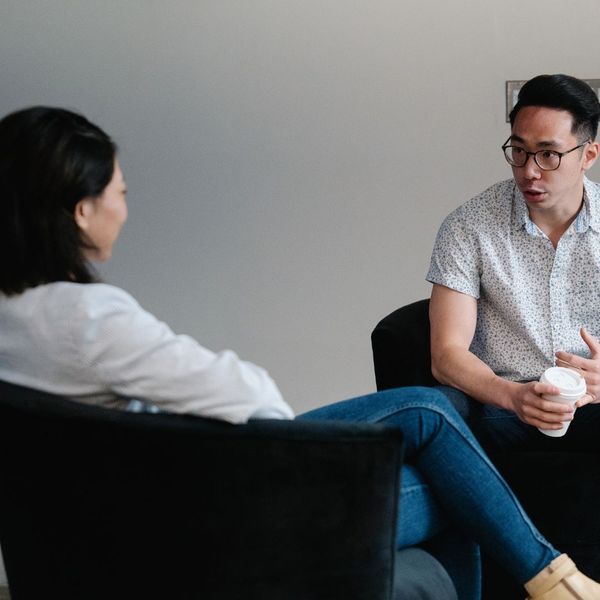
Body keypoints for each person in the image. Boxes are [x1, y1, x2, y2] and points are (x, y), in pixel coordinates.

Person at [0, 106, 597, 600]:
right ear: (81, 210)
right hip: (204, 503)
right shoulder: (86, 318)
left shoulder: (16, 315)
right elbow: (254, 398)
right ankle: (556, 580)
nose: (123, 208)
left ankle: (551, 580)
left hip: (132, 499)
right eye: (120, 192)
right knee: (435, 426)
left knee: (431, 423)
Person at [427, 74, 600, 455]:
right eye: (519, 151)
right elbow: (446, 355)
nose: (529, 170)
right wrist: (513, 397)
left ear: (588, 155)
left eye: (548, 154)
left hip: (592, 403)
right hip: (502, 408)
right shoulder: (468, 226)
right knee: (433, 414)